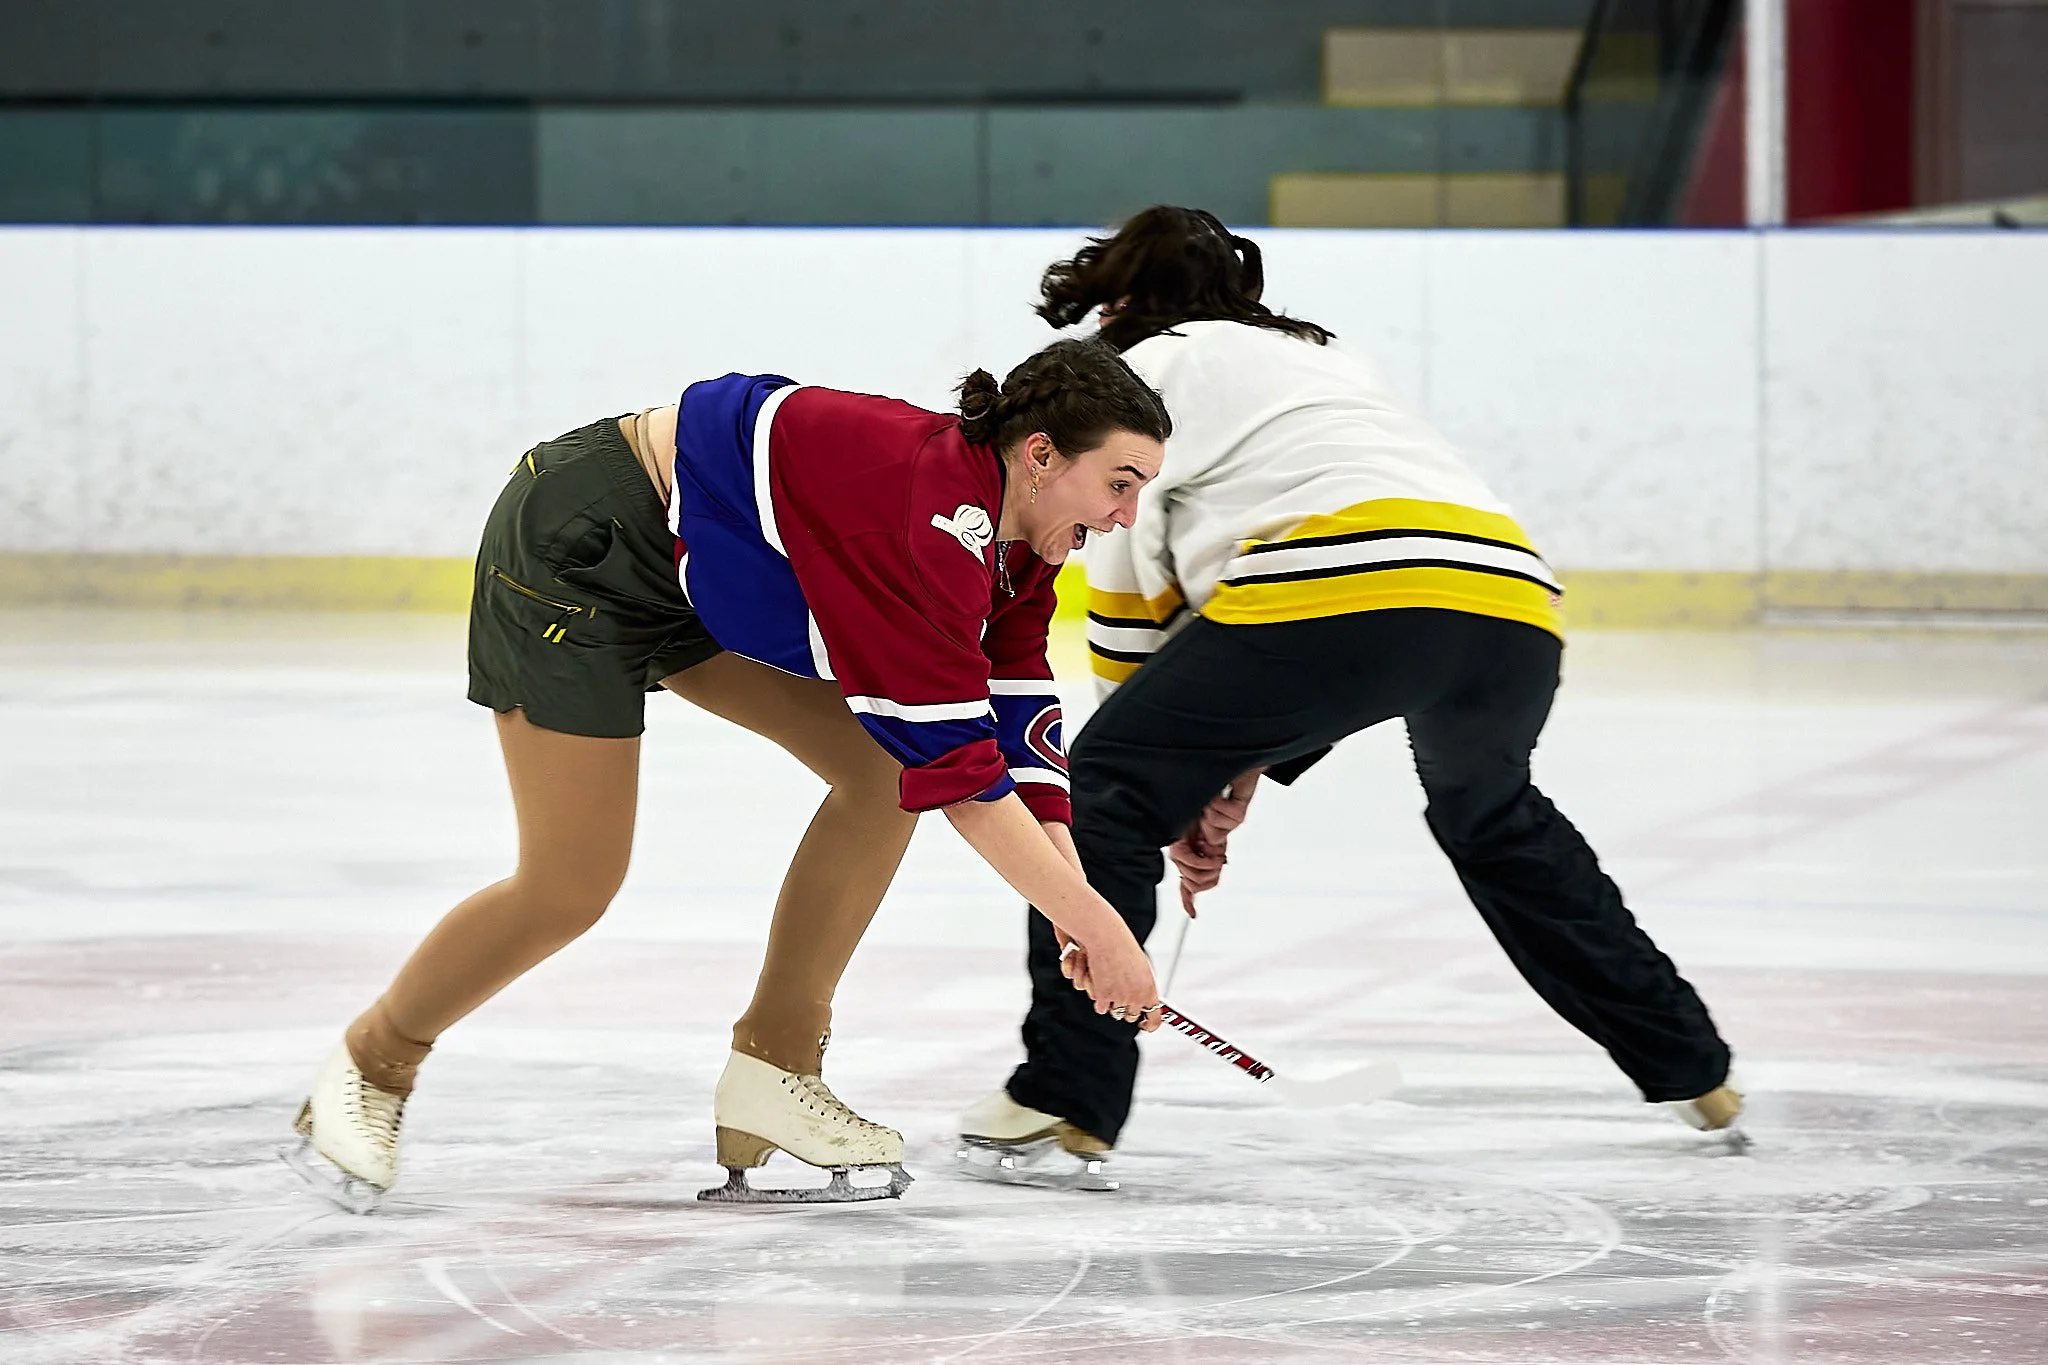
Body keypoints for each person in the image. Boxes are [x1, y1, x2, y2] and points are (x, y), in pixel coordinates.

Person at [291, 337, 1174, 1209]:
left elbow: (1016, 720)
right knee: (570, 884)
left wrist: (1075, 902)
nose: (1127, 516)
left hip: (687, 565)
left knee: (877, 769)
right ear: (1041, 454)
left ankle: (775, 1065)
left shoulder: (1022, 541)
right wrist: (1095, 928)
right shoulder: (927, 522)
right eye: (1120, 483)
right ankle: (375, 1062)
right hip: (582, 543)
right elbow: (959, 773)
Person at [956, 208, 1740, 1190]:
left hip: (1337, 591)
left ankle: (1066, 1096)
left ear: (1116, 298)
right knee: (1493, 818)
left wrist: (1168, 776)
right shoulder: (1323, 364)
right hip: (1504, 600)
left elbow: (1128, 586)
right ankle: (1691, 1068)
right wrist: (1208, 766)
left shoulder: (1138, 375)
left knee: (1104, 782)